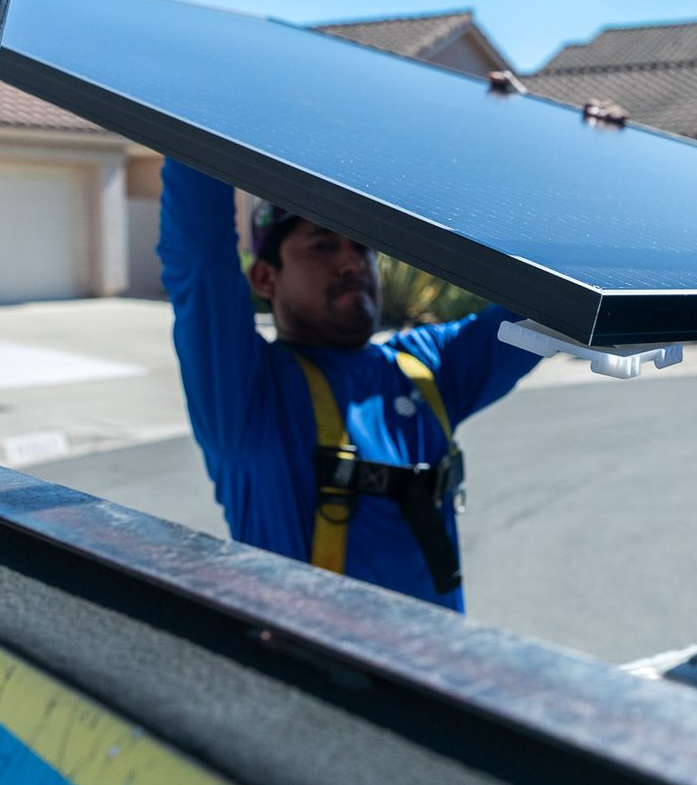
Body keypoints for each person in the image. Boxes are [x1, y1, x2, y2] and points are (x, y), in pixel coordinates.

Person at [157, 157, 542, 610]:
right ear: (265, 277)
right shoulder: (248, 397)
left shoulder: (427, 366)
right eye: (322, 246)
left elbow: (546, 303)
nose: (350, 262)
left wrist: (579, 150)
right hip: (315, 673)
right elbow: (200, 260)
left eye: (362, 247)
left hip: (437, 670)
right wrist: (195, 106)